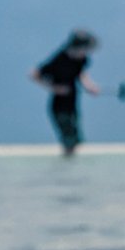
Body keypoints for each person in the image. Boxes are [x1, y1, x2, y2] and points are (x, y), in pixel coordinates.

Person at [31, 29, 101, 157]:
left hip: (73, 100)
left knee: (76, 135)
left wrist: (90, 86)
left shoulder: (81, 60)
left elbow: (81, 73)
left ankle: (71, 165)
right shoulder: (59, 59)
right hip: (59, 104)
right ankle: (67, 160)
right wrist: (55, 88)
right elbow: (34, 74)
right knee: (67, 135)